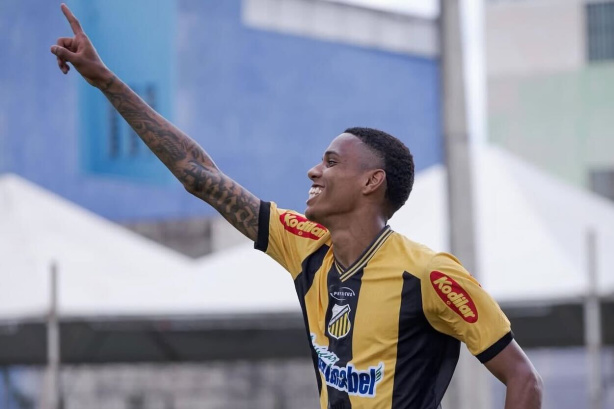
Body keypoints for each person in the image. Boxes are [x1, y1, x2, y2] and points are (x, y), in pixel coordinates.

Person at [51, 4, 543, 408]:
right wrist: (106, 81)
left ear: (372, 181)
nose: (313, 171)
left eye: (331, 162)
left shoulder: (430, 275)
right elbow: (200, 175)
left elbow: (524, 380)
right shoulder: (306, 246)